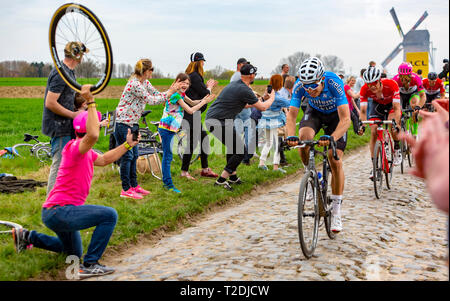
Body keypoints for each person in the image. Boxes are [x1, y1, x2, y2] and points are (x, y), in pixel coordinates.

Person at [12, 85, 140, 278]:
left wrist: (126, 145)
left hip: (55, 213)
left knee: (72, 252)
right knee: (109, 215)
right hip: (60, 211)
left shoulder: (84, 152)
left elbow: (104, 159)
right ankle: (90, 264)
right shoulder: (75, 150)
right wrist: (90, 101)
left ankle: (28, 237)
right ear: (88, 127)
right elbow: (94, 135)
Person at [286, 57, 351, 233]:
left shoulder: (333, 82)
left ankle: (336, 209)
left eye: (313, 85)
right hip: (315, 112)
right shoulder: (301, 86)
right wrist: (290, 136)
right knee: (304, 138)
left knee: (334, 159)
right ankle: (311, 175)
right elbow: (291, 116)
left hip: (336, 117)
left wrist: (332, 137)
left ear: (322, 79)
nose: (309, 90)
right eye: (306, 86)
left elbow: (346, 119)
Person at [114, 59, 179, 199]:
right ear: (145, 71)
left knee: (135, 156)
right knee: (127, 156)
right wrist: (169, 93)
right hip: (123, 123)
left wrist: (169, 93)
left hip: (133, 123)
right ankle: (125, 189)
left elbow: (156, 94)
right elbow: (151, 100)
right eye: (151, 69)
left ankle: (134, 186)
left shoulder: (144, 83)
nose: (152, 72)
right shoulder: (135, 84)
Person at [205, 64, 275, 190]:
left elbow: (244, 105)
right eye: (255, 75)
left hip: (216, 119)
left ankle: (233, 177)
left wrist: (263, 98)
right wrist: (272, 98)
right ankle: (221, 180)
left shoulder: (235, 85)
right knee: (240, 151)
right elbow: (263, 107)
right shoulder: (244, 89)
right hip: (219, 121)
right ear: (251, 75)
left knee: (232, 148)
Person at [42, 41, 87, 195]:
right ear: (77, 55)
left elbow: (67, 98)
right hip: (59, 127)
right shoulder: (60, 74)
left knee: (67, 166)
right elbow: (50, 102)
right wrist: (73, 114)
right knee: (59, 165)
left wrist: (83, 105)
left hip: (66, 126)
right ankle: (51, 206)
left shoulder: (69, 72)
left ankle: (62, 200)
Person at [158, 73, 215, 193]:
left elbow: (193, 103)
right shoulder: (175, 95)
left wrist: (204, 99)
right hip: (166, 128)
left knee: (168, 156)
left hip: (172, 128)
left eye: (188, 83)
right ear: (177, 81)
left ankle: (168, 182)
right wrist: (204, 102)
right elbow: (190, 110)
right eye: (183, 82)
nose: (186, 85)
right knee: (167, 157)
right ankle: (168, 184)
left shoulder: (181, 94)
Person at [180, 52, 219, 180]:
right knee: (192, 142)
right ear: (199, 63)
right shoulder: (195, 77)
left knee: (204, 139)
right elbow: (205, 94)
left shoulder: (191, 76)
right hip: (191, 114)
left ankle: (205, 169)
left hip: (193, 113)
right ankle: (184, 171)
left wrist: (207, 87)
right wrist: (209, 87)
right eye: (202, 62)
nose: (203, 64)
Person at [358, 66, 403, 176]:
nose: (372, 86)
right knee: (373, 131)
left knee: (392, 125)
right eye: (369, 84)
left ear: (379, 80)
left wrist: (397, 124)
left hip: (392, 105)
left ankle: (397, 148)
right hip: (377, 106)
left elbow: (397, 108)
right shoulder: (364, 89)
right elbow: (363, 111)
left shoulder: (391, 84)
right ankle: (374, 166)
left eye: (374, 83)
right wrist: (362, 125)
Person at [257, 74, 291, 173]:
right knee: (277, 144)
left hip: (265, 120)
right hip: (274, 122)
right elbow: (290, 104)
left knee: (268, 143)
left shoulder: (267, 95)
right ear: (280, 84)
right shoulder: (277, 97)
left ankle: (261, 163)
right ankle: (275, 167)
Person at [392, 62, 427, 136]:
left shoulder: (416, 78)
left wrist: (419, 107)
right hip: (401, 95)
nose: (403, 79)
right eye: (401, 76)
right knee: (398, 110)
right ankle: (404, 129)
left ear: (410, 75)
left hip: (413, 94)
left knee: (414, 106)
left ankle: (415, 134)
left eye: (406, 77)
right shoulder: (395, 79)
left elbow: (423, 96)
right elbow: (391, 95)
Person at [231, 57, 254, 165]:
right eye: (244, 64)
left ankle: (238, 156)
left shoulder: (235, 76)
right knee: (248, 132)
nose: (245, 67)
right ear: (239, 65)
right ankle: (246, 157)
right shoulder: (238, 76)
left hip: (237, 108)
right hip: (243, 109)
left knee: (238, 133)